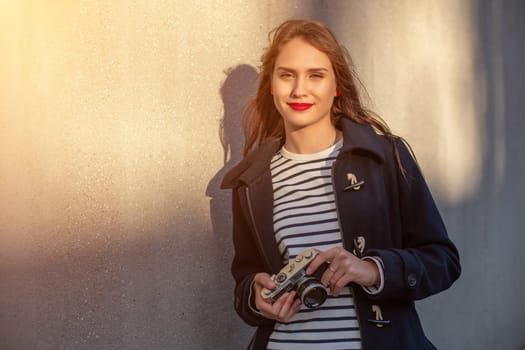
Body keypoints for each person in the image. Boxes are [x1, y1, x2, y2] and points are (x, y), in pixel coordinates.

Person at [221, 19, 460, 350]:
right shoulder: (251, 182)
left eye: (315, 75)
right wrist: (256, 295)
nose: (299, 89)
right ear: (272, 86)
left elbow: (442, 261)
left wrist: (372, 270)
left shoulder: (386, 156)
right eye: (286, 75)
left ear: (336, 86)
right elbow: (245, 279)